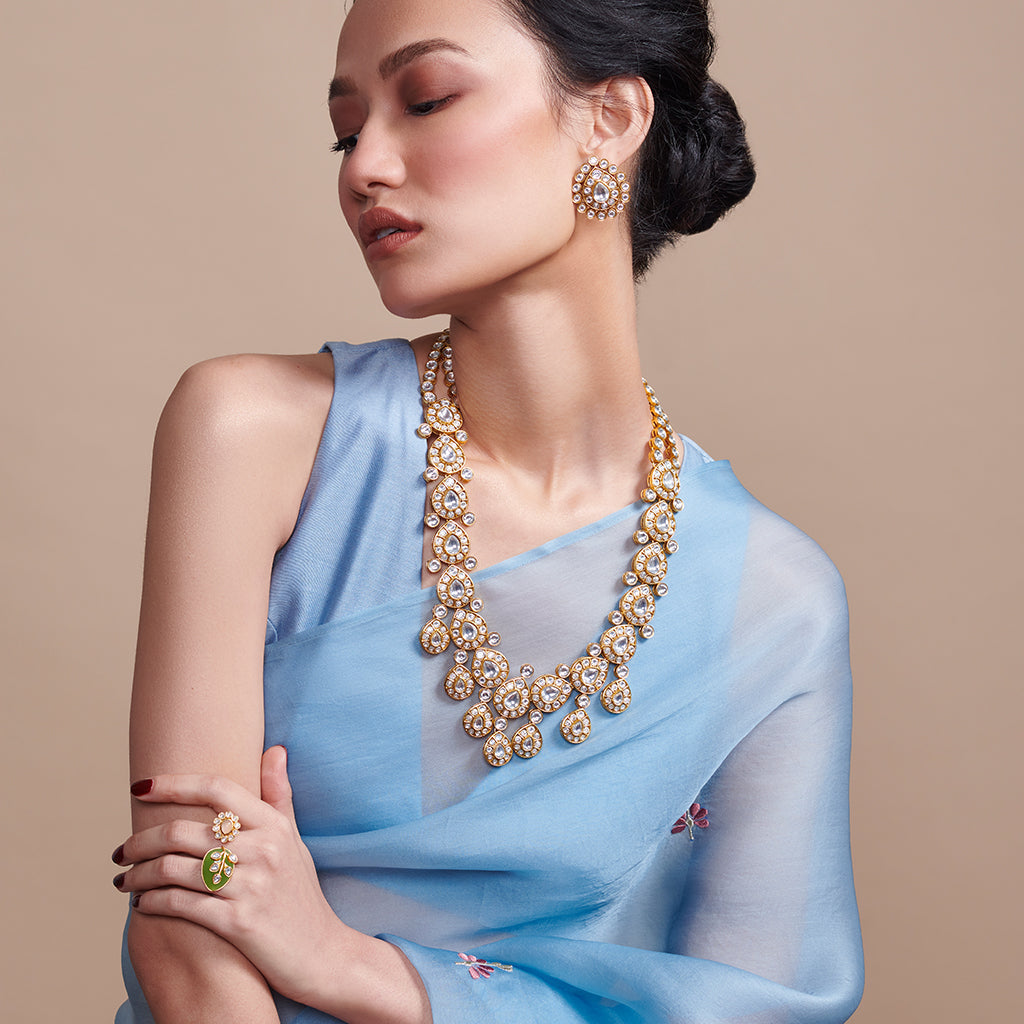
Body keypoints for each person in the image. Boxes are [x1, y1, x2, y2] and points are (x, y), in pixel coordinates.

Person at [112, 0, 864, 1021]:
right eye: (345, 131)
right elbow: (185, 917)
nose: (364, 167)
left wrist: (349, 965)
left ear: (609, 119)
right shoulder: (256, 435)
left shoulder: (773, 603)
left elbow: (748, 1002)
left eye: (426, 100)